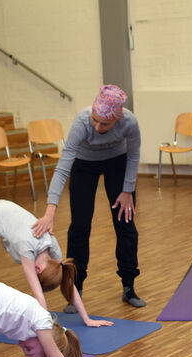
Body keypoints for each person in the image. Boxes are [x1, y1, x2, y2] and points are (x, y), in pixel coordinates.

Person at [31, 84, 145, 309]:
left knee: (125, 225)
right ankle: (76, 290)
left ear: (117, 119)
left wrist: (127, 190)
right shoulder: (82, 121)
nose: (97, 126)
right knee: (80, 227)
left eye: (105, 123)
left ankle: (129, 287)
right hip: (84, 165)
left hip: (118, 163)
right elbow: (63, 166)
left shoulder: (129, 122)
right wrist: (50, 210)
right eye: (95, 120)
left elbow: (133, 155)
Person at [0, 199, 112, 328]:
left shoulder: (52, 248)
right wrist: (47, 326)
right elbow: (38, 294)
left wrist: (87, 319)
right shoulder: (26, 248)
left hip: (4, 215)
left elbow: (68, 281)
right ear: (38, 269)